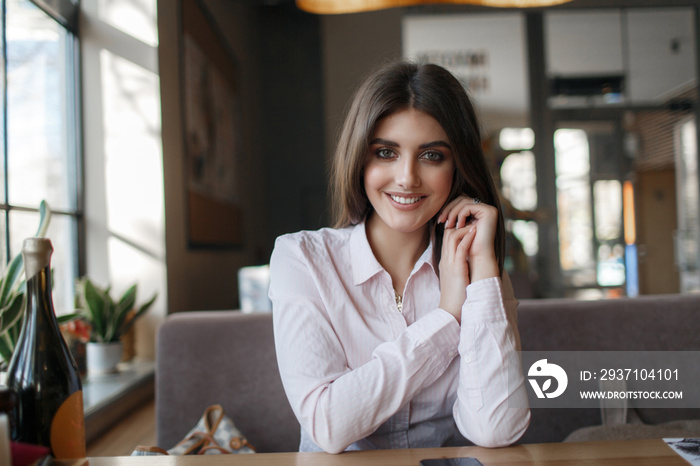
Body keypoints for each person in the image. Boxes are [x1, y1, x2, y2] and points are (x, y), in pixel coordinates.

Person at [268, 60, 530, 454]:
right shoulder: (302, 259)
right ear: (360, 158)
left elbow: (495, 430)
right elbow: (327, 424)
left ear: (457, 167)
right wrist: (446, 320)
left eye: (432, 156)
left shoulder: (482, 275)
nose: (407, 177)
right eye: (386, 152)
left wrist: (483, 277)